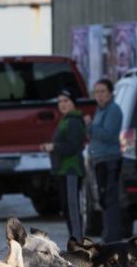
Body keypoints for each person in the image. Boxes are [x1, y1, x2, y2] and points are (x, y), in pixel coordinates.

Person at [42, 88, 86, 243]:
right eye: (59, 101)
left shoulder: (73, 121)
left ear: (73, 102)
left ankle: (78, 241)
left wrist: (54, 147)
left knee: (72, 207)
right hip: (63, 170)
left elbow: (73, 146)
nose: (62, 104)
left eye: (66, 101)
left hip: (71, 170)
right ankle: (74, 239)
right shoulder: (65, 119)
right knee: (66, 206)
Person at [87, 78, 124, 242]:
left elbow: (108, 135)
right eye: (97, 92)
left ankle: (112, 237)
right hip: (99, 160)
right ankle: (108, 234)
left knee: (110, 198)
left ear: (110, 93)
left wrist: (90, 127)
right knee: (102, 198)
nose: (99, 95)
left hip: (110, 160)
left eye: (103, 92)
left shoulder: (114, 110)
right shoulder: (99, 110)